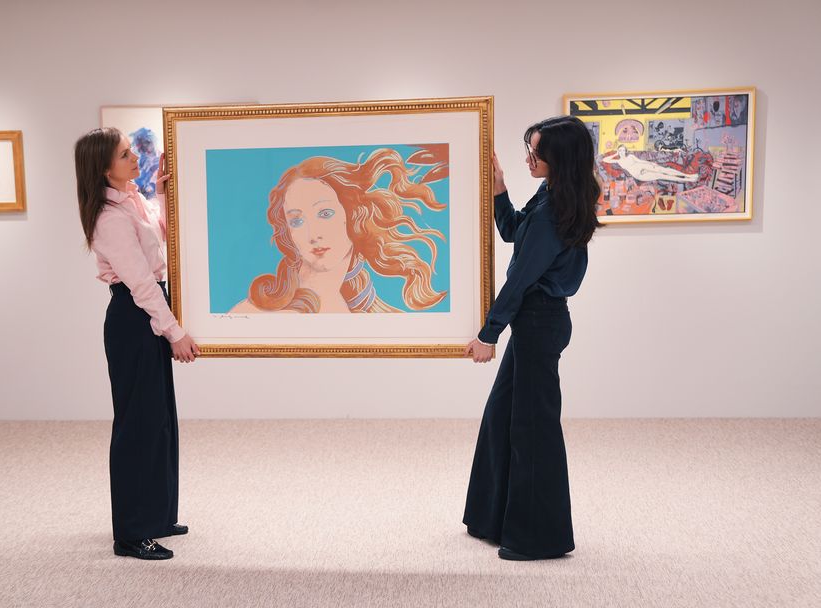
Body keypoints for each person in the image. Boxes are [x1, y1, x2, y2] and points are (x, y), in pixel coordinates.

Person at [463, 116, 601, 561]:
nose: (528, 158)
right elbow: (511, 232)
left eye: (535, 151)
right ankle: (494, 520)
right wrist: (500, 188)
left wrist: (488, 334)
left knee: (533, 429)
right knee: (503, 414)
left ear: (559, 158)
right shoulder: (552, 196)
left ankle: (538, 538)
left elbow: (520, 279)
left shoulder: (555, 209)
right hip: (535, 321)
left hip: (539, 322)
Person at [75, 127, 200, 560]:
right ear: (104, 167)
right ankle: (130, 534)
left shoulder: (133, 200)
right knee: (137, 426)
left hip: (148, 310)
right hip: (134, 318)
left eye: (131, 150)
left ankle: (159, 516)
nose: (135, 159)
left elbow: (162, 240)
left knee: (160, 419)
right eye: (125, 154)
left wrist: (162, 195)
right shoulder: (109, 218)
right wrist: (175, 332)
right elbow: (143, 284)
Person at [229, 148, 448, 313]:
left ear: (352, 215)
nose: (313, 234)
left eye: (324, 214)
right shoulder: (255, 313)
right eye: (296, 221)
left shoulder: (357, 307)